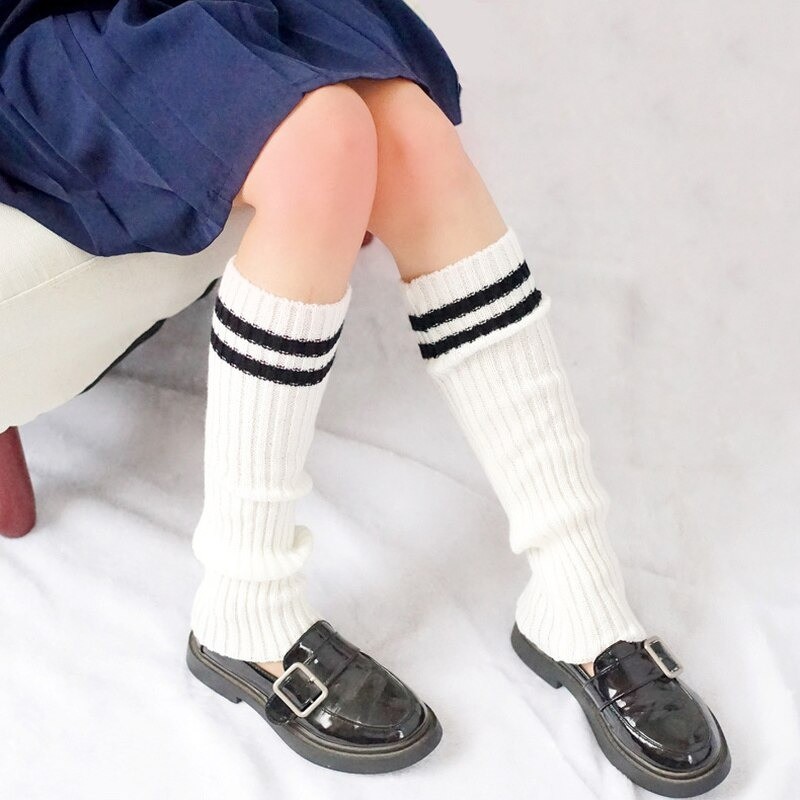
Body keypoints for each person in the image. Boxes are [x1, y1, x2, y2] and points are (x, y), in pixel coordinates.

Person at [0, 0, 730, 793]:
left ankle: (577, 585)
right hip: (46, 33)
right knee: (322, 146)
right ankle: (246, 602)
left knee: (414, 136)